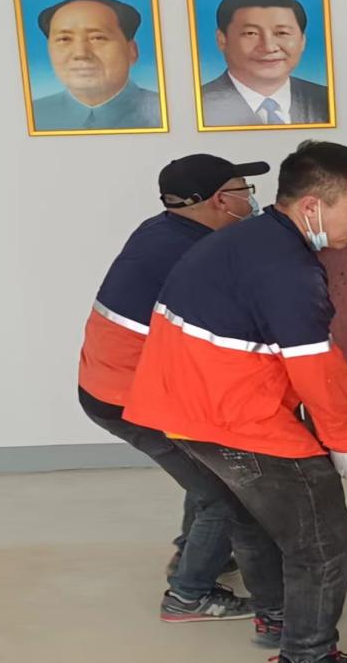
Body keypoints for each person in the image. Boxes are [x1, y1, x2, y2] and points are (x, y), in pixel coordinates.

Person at [125, 141, 347, 663]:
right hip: (233, 417)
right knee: (324, 542)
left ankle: (278, 616)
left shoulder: (249, 238)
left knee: (250, 518)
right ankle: (308, 654)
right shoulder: (286, 267)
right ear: (312, 205)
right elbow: (315, 368)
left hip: (186, 409)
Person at [78, 153, 273, 624]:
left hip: (112, 384)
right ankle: (188, 594)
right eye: (244, 191)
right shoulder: (194, 257)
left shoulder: (162, 229)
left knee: (205, 467)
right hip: (132, 398)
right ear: (220, 201)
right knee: (226, 494)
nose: (250, 200)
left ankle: (197, 554)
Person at [200, 0, 330, 126]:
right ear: (222, 39)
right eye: (251, 33)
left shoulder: (327, 99)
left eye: (282, 33)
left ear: (302, 40)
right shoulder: (197, 103)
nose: (268, 47)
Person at [32, 0, 162, 131]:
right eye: (64, 39)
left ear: (132, 51)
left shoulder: (166, 112)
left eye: (97, 38)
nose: (81, 54)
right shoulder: (31, 116)